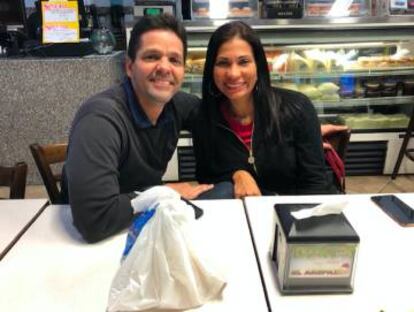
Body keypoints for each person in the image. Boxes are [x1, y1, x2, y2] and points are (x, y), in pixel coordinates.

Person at [61, 14, 215, 243]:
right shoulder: (100, 120)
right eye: (152, 56)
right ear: (130, 67)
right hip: (89, 243)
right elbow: (94, 220)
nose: (165, 67)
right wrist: (164, 194)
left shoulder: (177, 105)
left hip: (140, 226)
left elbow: (220, 119)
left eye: (175, 60)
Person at [192, 21, 334, 198]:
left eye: (243, 62)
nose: (233, 73)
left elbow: (315, 183)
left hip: (292, 213)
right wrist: (237, 174)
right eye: (223, 63)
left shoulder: (297, 108)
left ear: (258, 65)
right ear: (211, 69)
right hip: (238, 214)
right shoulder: (204, 118)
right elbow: (206, 177)